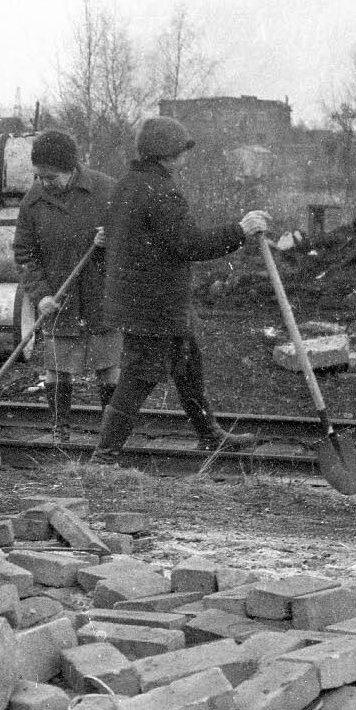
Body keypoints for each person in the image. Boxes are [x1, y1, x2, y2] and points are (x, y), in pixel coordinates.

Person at [90, 116, 271, 463]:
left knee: (187, 364)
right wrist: (240, 230)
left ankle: (208, 435)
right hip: (154, 306)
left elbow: (121, 238)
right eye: (182, 151)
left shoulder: (127, 184)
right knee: (139, 376)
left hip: (145, 302)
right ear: (167, 154)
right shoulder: (161, 192)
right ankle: (104, 455)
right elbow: (190, 244)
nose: (186, 157)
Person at [12, 129, 119, 443]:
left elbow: (134, 237)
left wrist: (111, 238)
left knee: (109, 366)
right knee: (58, 369)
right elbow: (25, 254)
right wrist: (41, 295)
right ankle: (60, 433)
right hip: (59, 299)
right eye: (39, 176)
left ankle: (111, 434)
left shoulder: (106, 189)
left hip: (103, 295)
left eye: (51, 177)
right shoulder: (33, 201)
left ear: (71, 168)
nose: (44, 183)